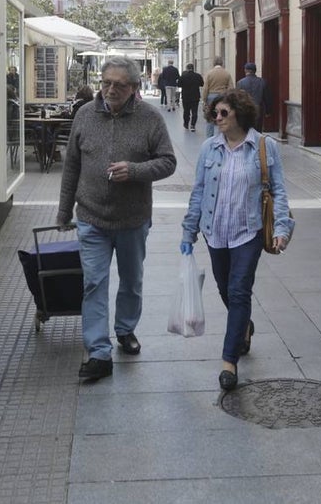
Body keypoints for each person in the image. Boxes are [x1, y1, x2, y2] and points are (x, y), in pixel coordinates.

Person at [55, 56, 176, 381]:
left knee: (131, 281)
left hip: (132, 219)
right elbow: (72, 167)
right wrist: (64, 211)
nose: (110, 89)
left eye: (119, 85)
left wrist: (135, 171)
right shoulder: (84, 115)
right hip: (91, 217)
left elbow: (168, 162)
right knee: (93, 283)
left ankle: (125, 329)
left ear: (135, 88)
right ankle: (98, 352)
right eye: (106, 83)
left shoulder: (150, 118)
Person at [181, 90, 293, 391]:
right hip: (215, 231)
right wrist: (188, 231)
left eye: (223, 113)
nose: (217, 119)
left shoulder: (263, 146)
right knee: (224, 287)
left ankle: (229, 361)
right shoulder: (209, 148)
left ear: (239, 114)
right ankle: (242, 326)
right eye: (214, 114)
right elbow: (199, 191)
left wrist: (282, 228)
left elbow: (278, 191)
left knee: (239, 289)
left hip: (248, 231)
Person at [202, 56, 235, 136]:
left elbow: (205, 88)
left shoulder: (209, 73)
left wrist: (204, 99)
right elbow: (231, 88)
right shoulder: (227, 73)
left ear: (214, 63)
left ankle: (209, 137)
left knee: (210, 117)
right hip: (223, 97)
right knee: (223, 116)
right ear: (222, 63)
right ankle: (221, 136)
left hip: (211, 96)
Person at [236, 62, 269, 131]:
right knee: (258, 130)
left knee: (246, 130)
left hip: (245, 110)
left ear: (245, 70)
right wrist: (268, 111)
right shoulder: (262, 82)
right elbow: (267, 98)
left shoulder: (240, 83)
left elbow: (237, 99)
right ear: (255, 71)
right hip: (258, 110)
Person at [177, 63, 204, 131]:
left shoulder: (183, 76)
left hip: (185, 97)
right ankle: (192, 125)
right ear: (193, 68)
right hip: (195, 96)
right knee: (194, 112)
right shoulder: (198, 76)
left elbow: (179, 85)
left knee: (186, 111)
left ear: (187, 68)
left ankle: (186, 124)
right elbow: (202, 84)